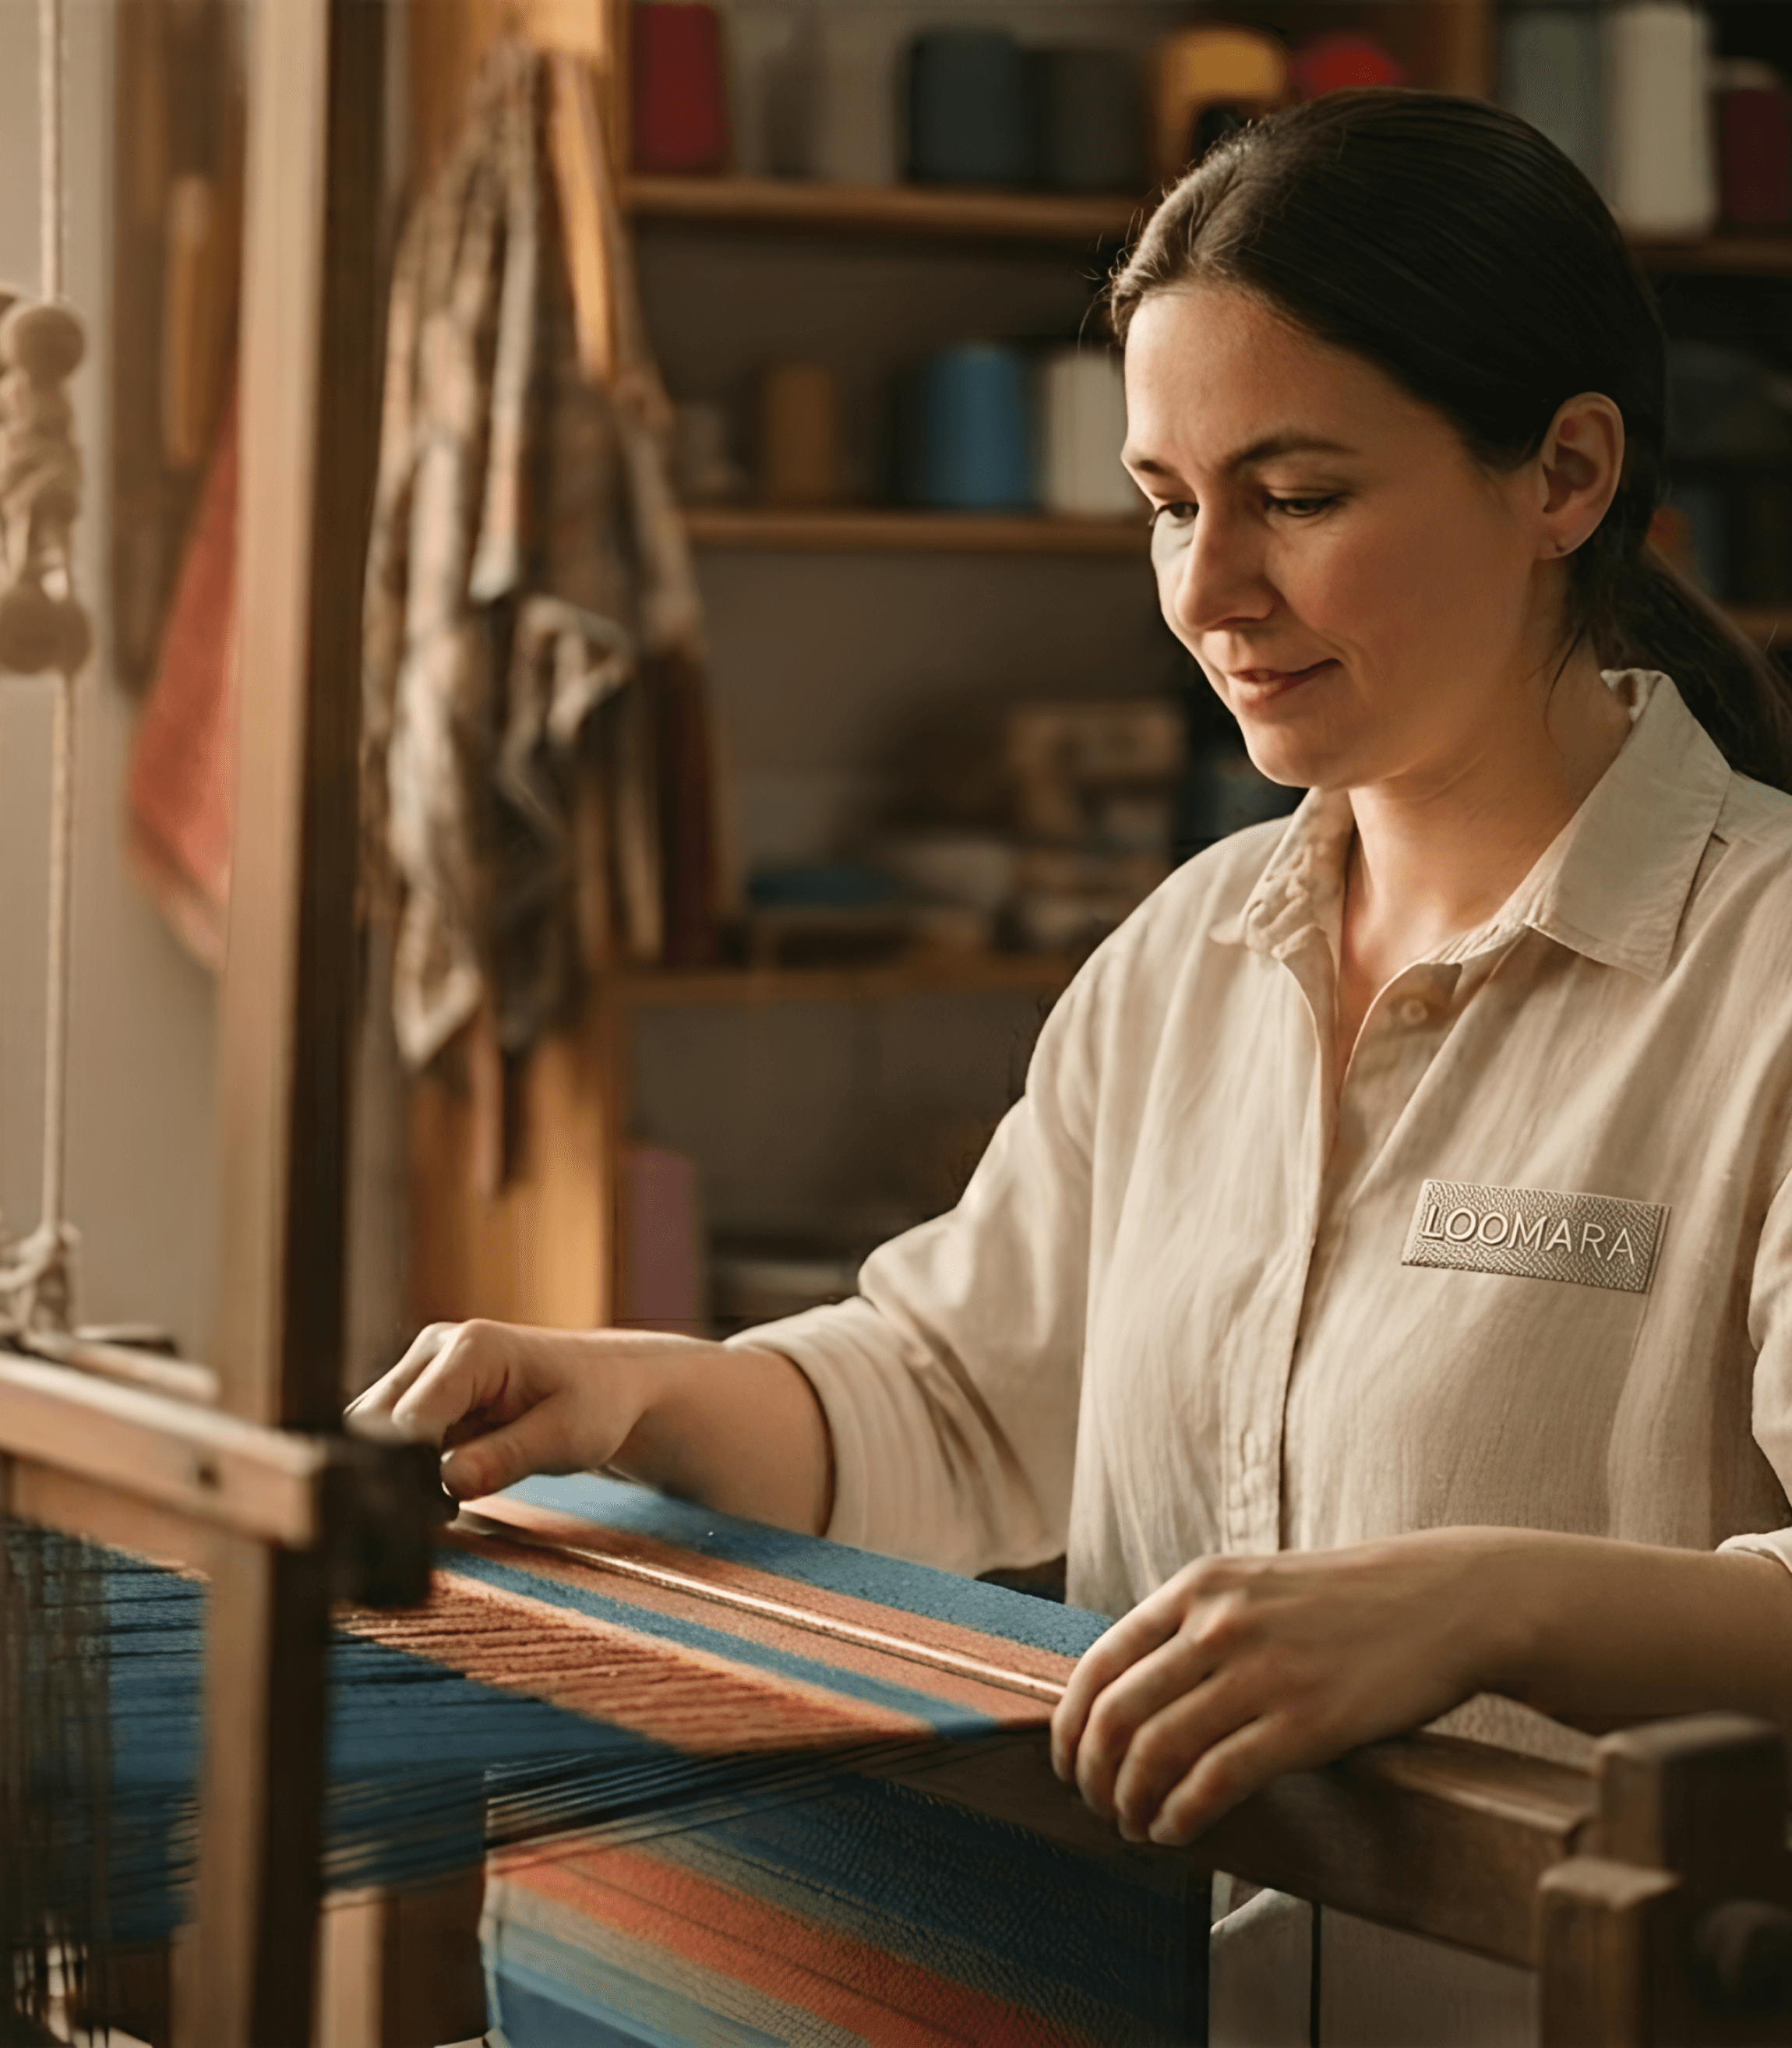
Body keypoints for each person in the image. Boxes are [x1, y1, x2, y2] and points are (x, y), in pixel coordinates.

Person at [351, 91, 1792, 2041]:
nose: (1205, 595)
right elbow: (952, 1400)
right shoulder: (1190, 954)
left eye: (1294, 497)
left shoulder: (1764, 976)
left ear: (1563, 471)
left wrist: (1491, 1600)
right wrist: (634, 1397)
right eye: (1167, 502)